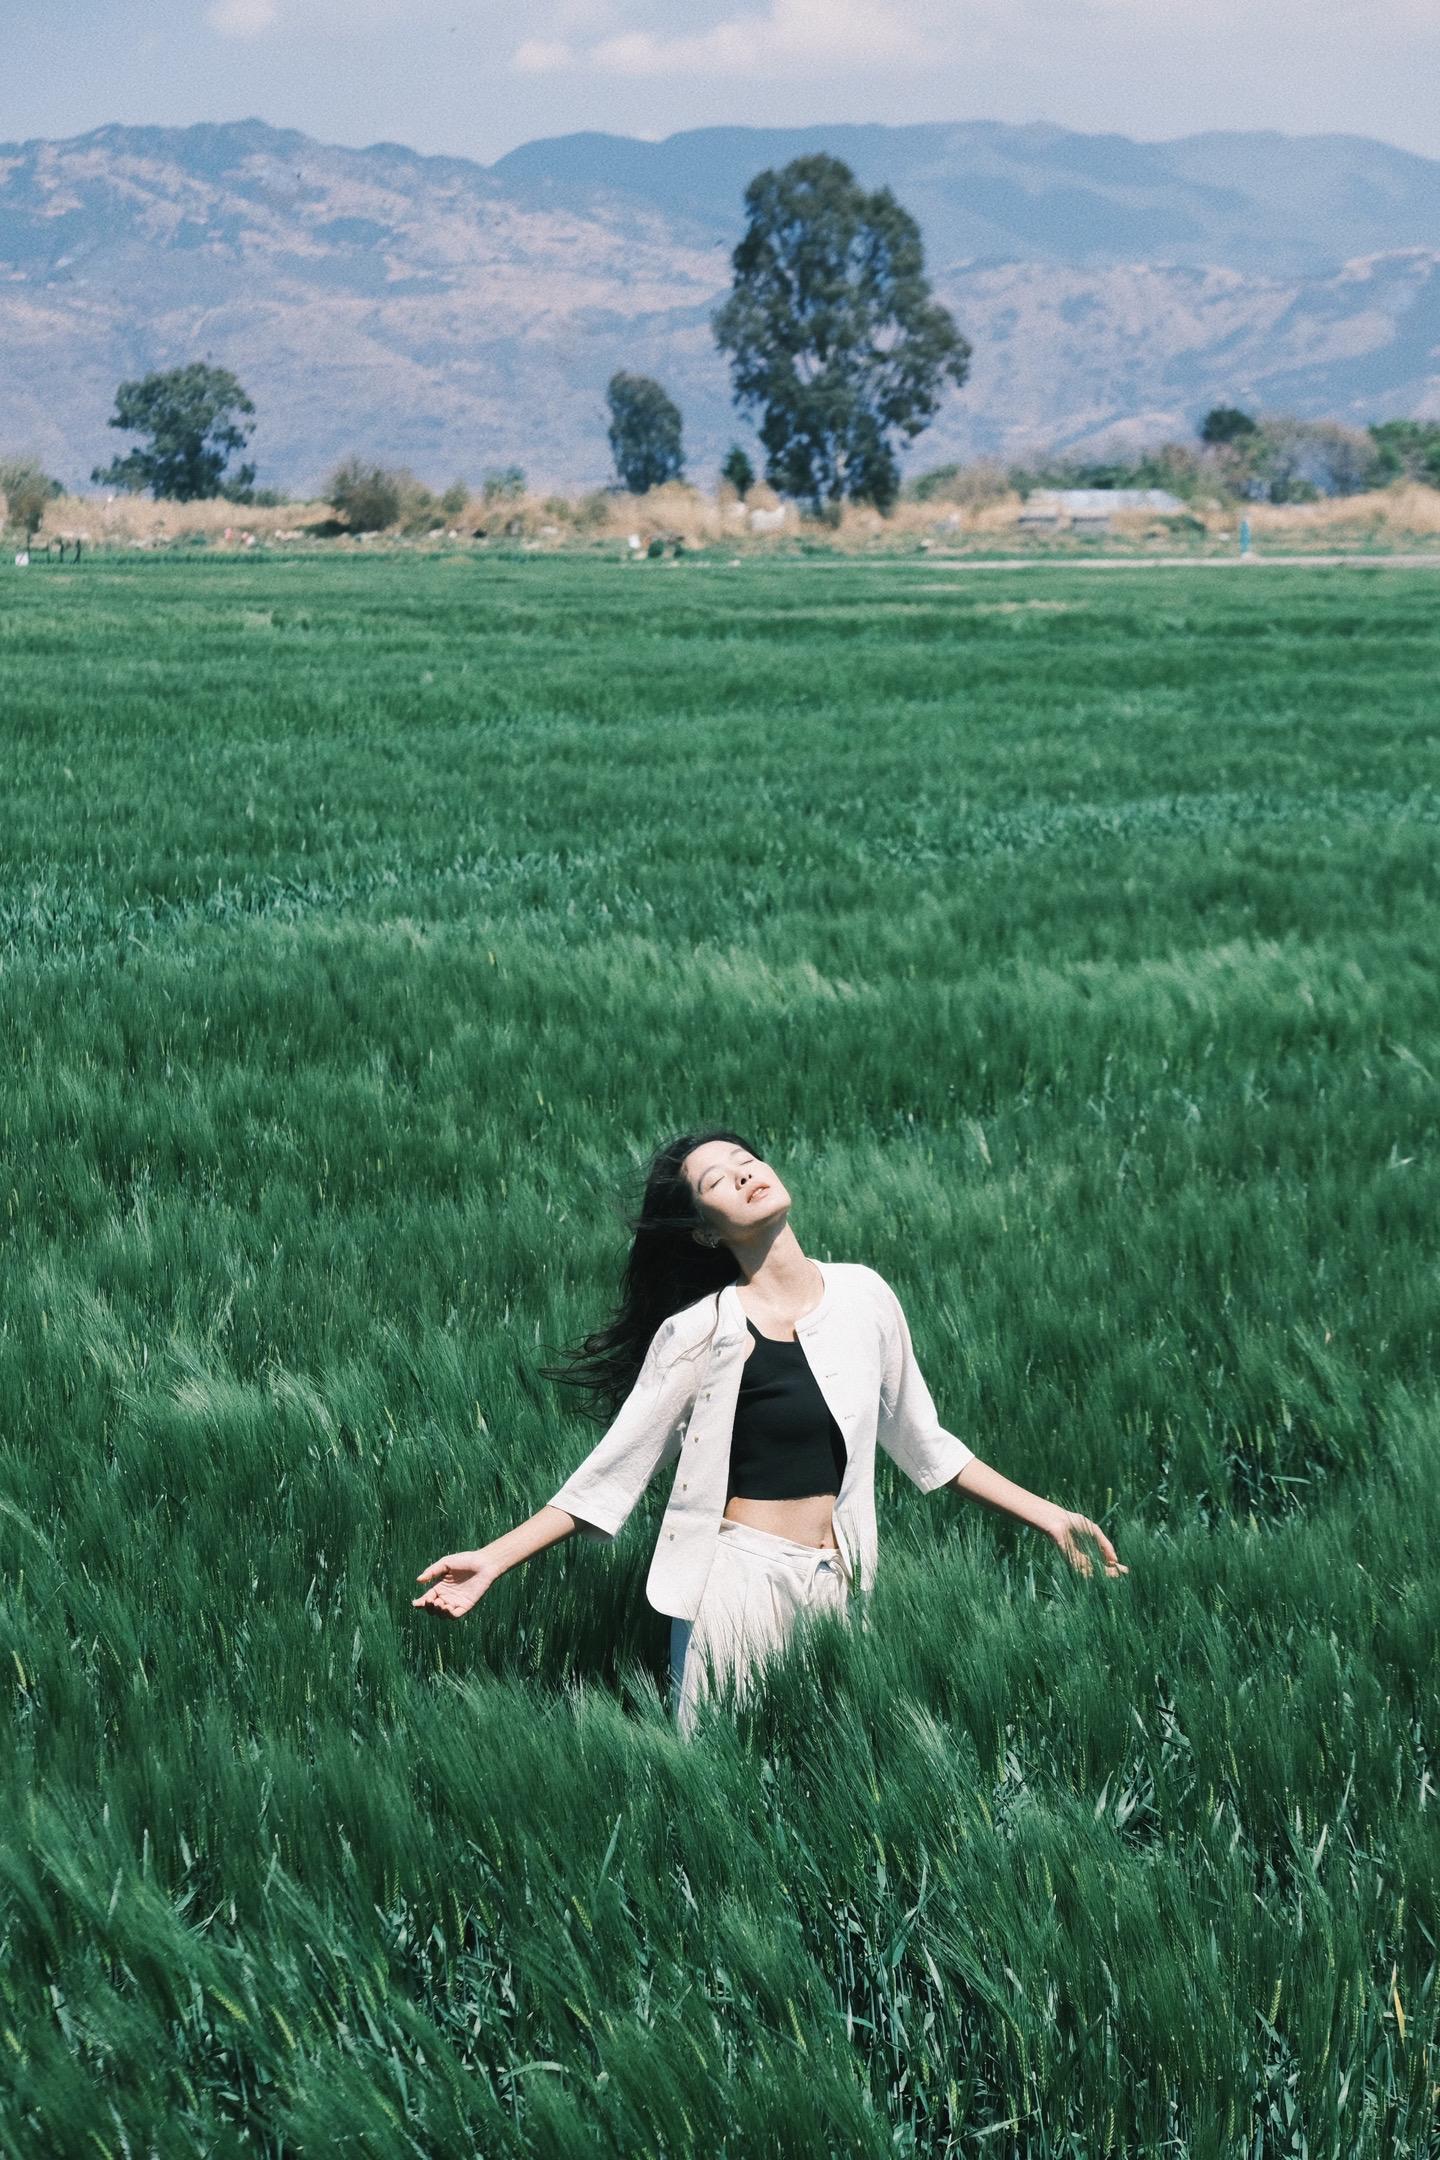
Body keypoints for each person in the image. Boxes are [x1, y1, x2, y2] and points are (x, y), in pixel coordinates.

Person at [414, 1128, 1127, 1738]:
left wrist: (1051, 1519)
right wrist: (494, 1559)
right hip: (736, 1587)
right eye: (717, 1180)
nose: (744, 1173)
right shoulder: (696, 1333)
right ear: (705, 1229)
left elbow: (925, 1444)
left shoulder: (865, 1296)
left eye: (745, 1159)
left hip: (844, 1584)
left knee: (828, 1787)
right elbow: (610, 1480)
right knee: (717, 1780)